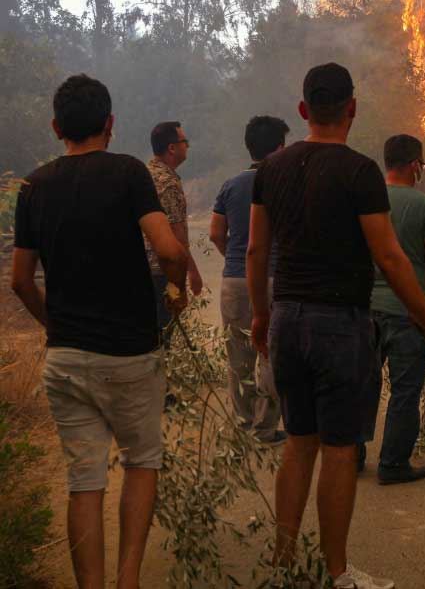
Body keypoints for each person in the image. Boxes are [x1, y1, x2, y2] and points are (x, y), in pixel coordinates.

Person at [248, 62, 425, 589]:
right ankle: (337, 573)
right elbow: (390, 258)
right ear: (351, 109)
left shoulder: (270, 170)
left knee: (300, 441)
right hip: (338, 324)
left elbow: (256, 249)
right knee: (340, 450)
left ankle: (282, 565)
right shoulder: (360, 171)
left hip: (286, 320)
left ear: (303, 110)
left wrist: (260, 314)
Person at [9, 75, 188, 589]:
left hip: (67, 359)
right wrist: (174, 293)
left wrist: (56, 326)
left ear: (55, 127)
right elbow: (171, 251)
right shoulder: (130, 173)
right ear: (110, 124)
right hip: (130, 354)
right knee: (141, 463)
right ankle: (127, 578)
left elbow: (21, 282)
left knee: (83, 480)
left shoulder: (34, 186)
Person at [363, 133, 425, 485]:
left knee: (361, 386)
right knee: (405, 392)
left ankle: (350, 457)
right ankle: (393, 464)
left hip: (364, 310)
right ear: (415, 165)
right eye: (422, 165)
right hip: (408, 312)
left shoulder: (365, 201)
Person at [209, 115, 290, 444]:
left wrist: (235, 257)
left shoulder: (230, 185)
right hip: (273, 279)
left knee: (238, 356)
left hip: (234, 281)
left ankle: (243, 424)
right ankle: (265, 428)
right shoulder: (286, 183)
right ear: (280, 148)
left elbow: (216, 233)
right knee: (271, 354)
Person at [146, 120, 203, 333]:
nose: (187, 145)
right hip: (162, 273)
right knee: (165, 339)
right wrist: (192, 274)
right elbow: (177, 235)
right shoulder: (168, 183)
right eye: (184, 141)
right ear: (172, 148)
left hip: (142, 271)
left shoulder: (144, 174)